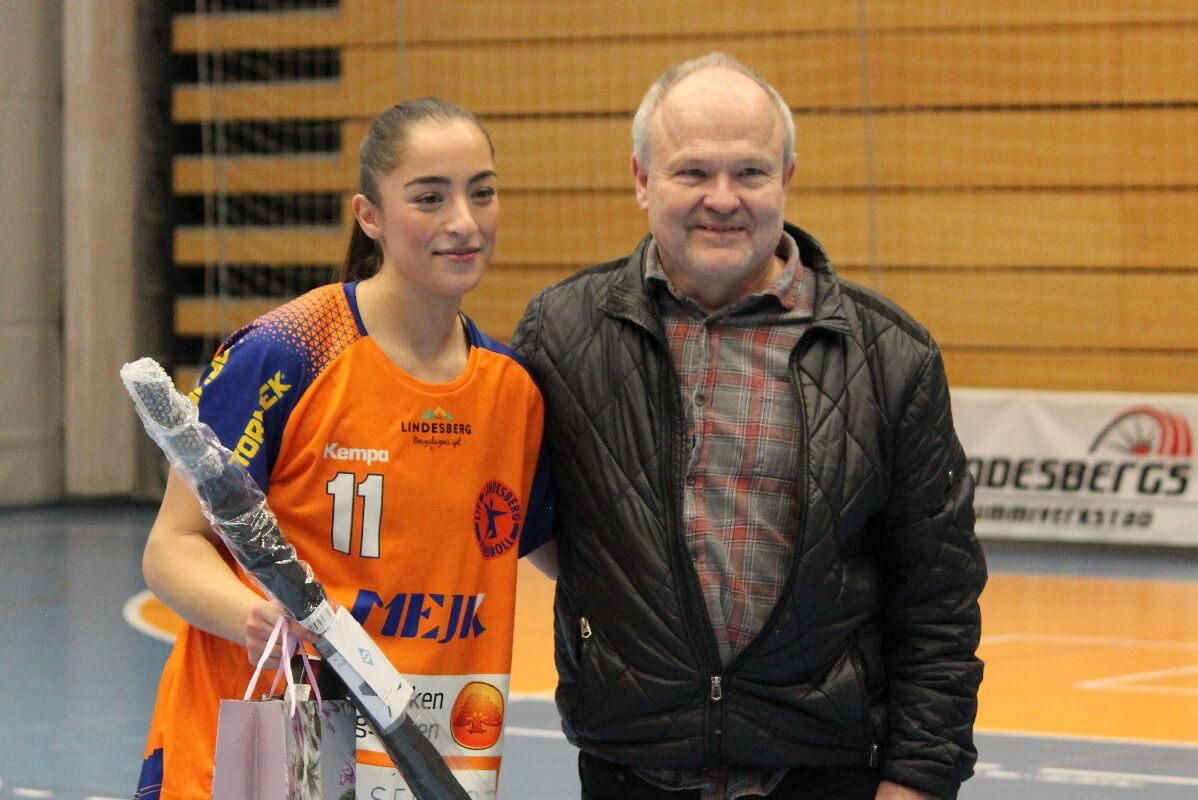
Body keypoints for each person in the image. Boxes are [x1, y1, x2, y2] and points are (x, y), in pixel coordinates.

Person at [512, 53, 986, 800]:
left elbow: (939, 598)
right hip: (632, 772)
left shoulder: (890, 356)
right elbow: (520, 515)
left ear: (787, 178)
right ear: (642, 179)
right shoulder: (563, 333)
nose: (722, 199)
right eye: (693, 172)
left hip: (825, 776)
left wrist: (920, 779)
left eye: (750, 172)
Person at [135, 97, 556, 800]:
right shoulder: (288, 352)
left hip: (430, 747)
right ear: (370, 216)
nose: (464, 221)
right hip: (263, 747)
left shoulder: (513, 391)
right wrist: (254, 618)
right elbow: (172, 547)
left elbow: (563, 553)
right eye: (430, 197)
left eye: (481, 193)